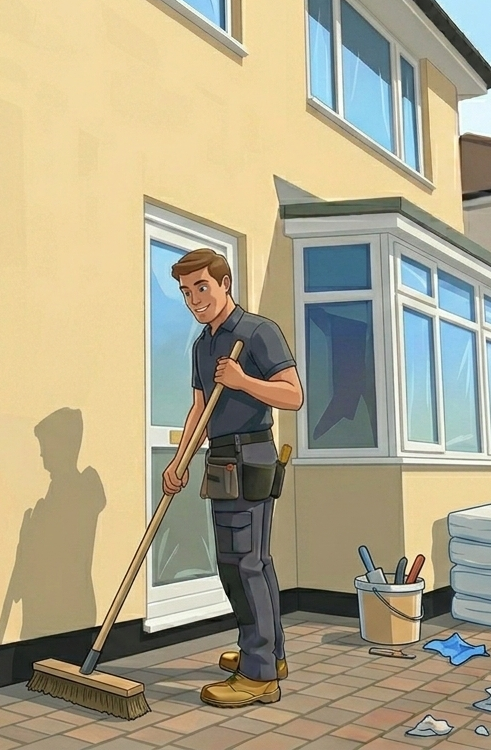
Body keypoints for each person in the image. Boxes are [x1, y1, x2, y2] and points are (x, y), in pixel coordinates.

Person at [162, 248, 303, 708]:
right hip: (219, 459)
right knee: (244, 563)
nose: (194, 299)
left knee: (245, 564)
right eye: (185, 292)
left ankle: (259, 675)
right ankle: (268, 653)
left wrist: (244, 382)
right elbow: (199, 409)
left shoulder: (258, 332)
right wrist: (178, 460)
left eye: (201, 287)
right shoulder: (203, 345)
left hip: (253, 455)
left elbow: (293, 395)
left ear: (224, 284)